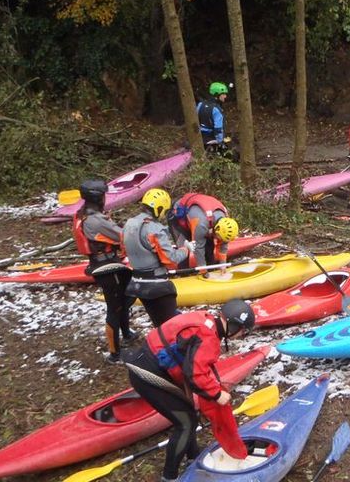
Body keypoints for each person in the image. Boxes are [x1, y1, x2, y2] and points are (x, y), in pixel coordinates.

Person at [125, 299, 255, 482]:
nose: (240, 337)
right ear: (235, 325)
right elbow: (195, 374)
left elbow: (189, 362)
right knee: (185, 423)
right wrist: (217, 394)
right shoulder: (209, 338)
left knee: (189, 414)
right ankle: (169, 476)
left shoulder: (205, 319)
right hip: (148, 376)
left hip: (146, 363)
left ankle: (193, 456)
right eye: (242, 332)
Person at [73, 179, 137, 364]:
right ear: (97, 198)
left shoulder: (85, 214)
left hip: (108, 262)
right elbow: (122, 235)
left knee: (125, 297)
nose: (105, 199)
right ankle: (114, 354)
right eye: (103, 195)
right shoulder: (95, 220)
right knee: (115, 308)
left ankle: (126, 334)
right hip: (107, 267)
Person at [123, 188, 193, 327]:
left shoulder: (130, 223)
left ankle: (160, 343)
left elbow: (127, 247)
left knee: (158, 322)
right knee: (170, 324)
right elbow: (171, 260)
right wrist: (186, 249)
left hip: (137, 283)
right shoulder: (154, 228)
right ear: (159, 208)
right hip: (156, 285)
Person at [168, 193, 239, 272]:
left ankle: (211, 269)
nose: (219, 240)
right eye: (219, 237)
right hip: (178, 216)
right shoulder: (201, 224)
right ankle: (183, 274)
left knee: (209, 247)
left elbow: (224, 244)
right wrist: (203, 270)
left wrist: (223, 265)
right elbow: (198, 248)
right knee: (184, 249)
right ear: (217, 229)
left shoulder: (225, 220)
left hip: (200, 217)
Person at [197, 82, 231, 155]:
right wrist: (221, 142)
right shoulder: (216, 110)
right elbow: (218, 129)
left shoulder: (200, 105)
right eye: (223, 94)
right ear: (217, 95)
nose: (225, 96)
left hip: (199, 137)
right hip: (211, 139)